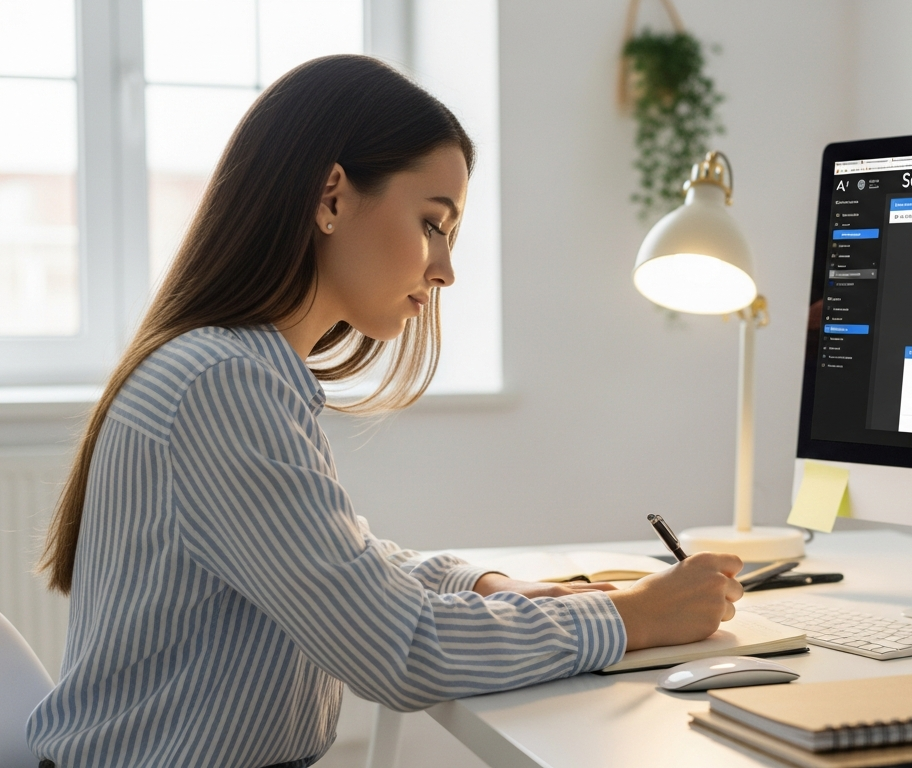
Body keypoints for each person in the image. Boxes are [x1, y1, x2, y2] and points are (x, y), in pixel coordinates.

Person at [27, 55, 743, 768]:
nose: (446, 269)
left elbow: (338, 561)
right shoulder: (224, 382)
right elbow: (397, 649)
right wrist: (632, 617)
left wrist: (482, 582)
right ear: (331, 197)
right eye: (433, 224)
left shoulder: (229, 369)